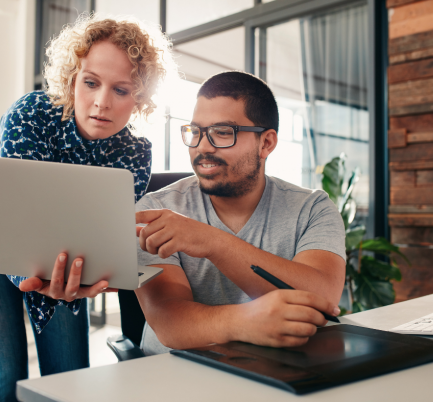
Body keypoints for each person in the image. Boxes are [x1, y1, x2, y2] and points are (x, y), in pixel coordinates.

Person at [0, 14, 173, 401]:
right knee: (2, 378)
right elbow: (16, 218)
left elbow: (99, 237)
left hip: (64, 265)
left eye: (122, 90)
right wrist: (35, 279)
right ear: (72, 79)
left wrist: (90, 277)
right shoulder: (30, 114)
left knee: (69, 379)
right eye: (91, 82)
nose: (101, 102)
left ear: (141, 98)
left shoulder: (135, 153)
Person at [133, 71, 346, 355]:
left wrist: (213, 242)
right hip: (174, 376)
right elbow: (168, 322)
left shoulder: (312, 208)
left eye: (223, 132)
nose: (202, 147)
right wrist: (245, 322)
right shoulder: (153, 210)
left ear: (266, 143)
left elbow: (322, 300)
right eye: (195, 132)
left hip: (278, 371)